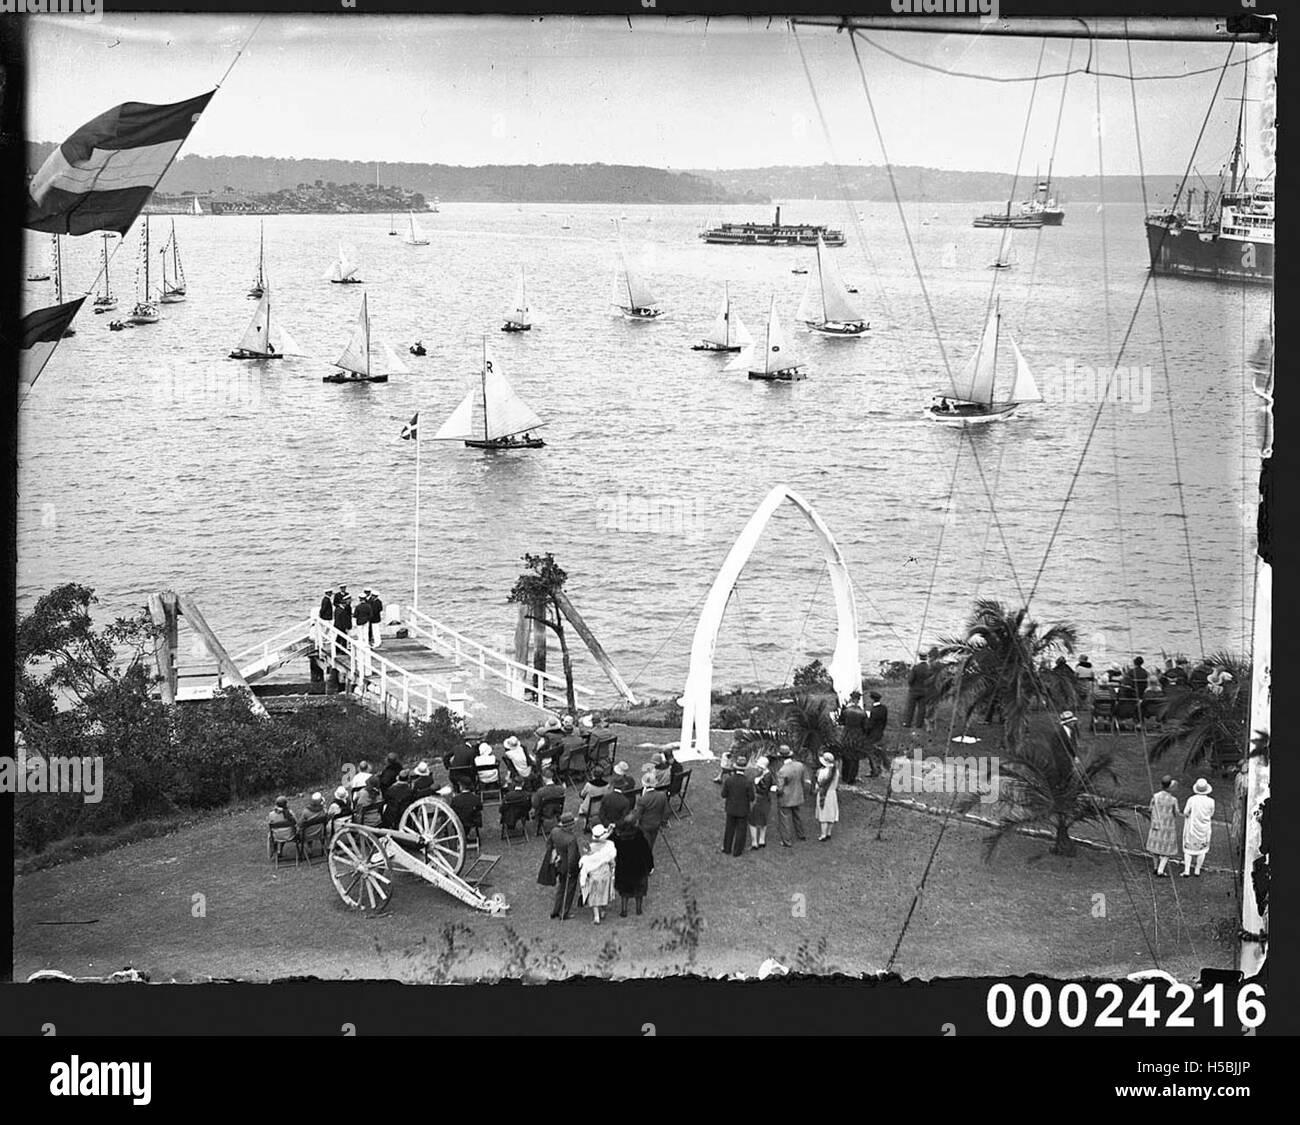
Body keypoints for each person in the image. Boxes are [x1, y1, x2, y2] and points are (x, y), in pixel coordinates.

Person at [613, 814, 654, 917]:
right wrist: (650, 866)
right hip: (639, 868)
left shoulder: (619, 838)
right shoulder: (640, 837)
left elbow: (615, 852)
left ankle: (624, 910)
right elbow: (647, 853)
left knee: (624, 890)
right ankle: (638, 909)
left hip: (624, 868)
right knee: (639, 889)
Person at [579, 823, 617, 924]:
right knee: (604, 892)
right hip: (605, 873)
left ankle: (596, 917)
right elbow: (612, 861)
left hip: (594, 874)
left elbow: (585, 863)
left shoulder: (590, 848)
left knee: (594, 895)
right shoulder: (609, 846)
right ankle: (603, 911)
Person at [547, 812, 582, 920]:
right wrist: (572, 870)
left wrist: (557, 854)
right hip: (569, 867)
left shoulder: (554, 831)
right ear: (570, 825)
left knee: (561, 888)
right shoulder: (571, 839)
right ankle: (564, 913)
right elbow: (572, 858)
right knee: (569, 889)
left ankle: (555, 911)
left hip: (559, 864)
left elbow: (549, 844)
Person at [1144, 776, 1180, 876]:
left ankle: (1156, 868)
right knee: (1167, 850)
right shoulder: (1173, 800)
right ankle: (1160, 869)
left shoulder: (1155, 796)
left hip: (1156, 825)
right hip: (1168, 827)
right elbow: (1176, 813)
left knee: (1155, 849)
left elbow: (1150, 808)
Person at [720, 753, 755, 856]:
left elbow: (723, 794)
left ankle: (727, 848)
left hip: (730, 809)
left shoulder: (729, 780)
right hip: (743, 810)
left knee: (729, 829)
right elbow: (752, 797)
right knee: (741, 830)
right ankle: (737, 851)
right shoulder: (748, 782)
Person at [1181, 778, 1215, 877]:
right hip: (1204, 828)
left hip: (1192, 828)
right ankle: (1197, 869)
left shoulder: (1192, 800)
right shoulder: (1211, 801)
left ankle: (1187, 870)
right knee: (1202, 850)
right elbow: (1211, 814)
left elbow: (1185, 812)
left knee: (1188, 850)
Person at [775, 746, 808, 847]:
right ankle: (801, 834)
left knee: (785, 819)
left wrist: (775, 791)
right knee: (798, 816)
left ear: (781, 758)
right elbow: (803, 780)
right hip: (797, 795)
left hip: (786, 798)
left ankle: (787, 841)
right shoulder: (800, 765)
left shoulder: (782, 771)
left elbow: (780, 788)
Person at [633, 776, 669, 855]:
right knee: (651, 841)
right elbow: (666, 811)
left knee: (645, 843)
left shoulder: (642, 799)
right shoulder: (662, 795)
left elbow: (638, 815)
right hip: (656, 824)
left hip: (645, 826)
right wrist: (663, 822)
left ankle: (646, 856)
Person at [838, 690, 866, 785]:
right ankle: (851, 778)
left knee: (845, 756)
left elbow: (840, 722)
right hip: (857, 736)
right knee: (854, 758)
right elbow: (865, 726)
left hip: (846, 735)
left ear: (851, 698)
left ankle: (844, 776)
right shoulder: (862, 713)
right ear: (858, 700)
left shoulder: (846, 711)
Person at [748, 755, 776, 849]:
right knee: (763, 820)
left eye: (759, 767)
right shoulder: (768, 775)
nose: (757, 768)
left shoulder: (765, 777)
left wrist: (756, 783)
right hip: (766, 800)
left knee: (753, 821)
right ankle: (762, 840)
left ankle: (754, 842)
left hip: (760, 800)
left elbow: (763, 789)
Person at [862, 691, 889, 776]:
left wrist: (865, 726)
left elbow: (870, 725)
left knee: (871, 753)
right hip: (880, 732)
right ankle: (885, 767)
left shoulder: (874, 711)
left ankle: (875, 770)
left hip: (873, 735)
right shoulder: (884, 708)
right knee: (880, 752)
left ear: (872, 700)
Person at [531, 769, 566, 836]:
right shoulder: (560, 789)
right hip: (557, 810)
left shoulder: (541, 791)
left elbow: (535, 804)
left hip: (544, 812)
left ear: (544, 778)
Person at [815, 752, 840, 841]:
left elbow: (819, 785)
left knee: (824, 814)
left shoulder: (822, 772)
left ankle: (823, 835)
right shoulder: (836, 771)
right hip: (833, 794)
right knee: (831, 813)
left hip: (824, 793)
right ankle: (829, 833)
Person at [903, 652, 931, 728]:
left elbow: (910, 680)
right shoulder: (929, 668)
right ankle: (919, 725)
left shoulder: (915, 668)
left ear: (919, 658)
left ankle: (907, 723)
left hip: (914, 691)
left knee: (910, 708)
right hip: (924, 691)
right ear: (926, 658)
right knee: (922, 709)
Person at [352, 594, 373, 679]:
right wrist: (367, 619)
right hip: (366, 621)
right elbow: (371, 615)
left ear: (360, 599)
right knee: (366, 633)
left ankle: (361, 643)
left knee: (360, 634)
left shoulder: (358, 607)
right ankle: (366, 643)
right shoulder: (368, 606)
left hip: (359, 622)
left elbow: (355, 615)